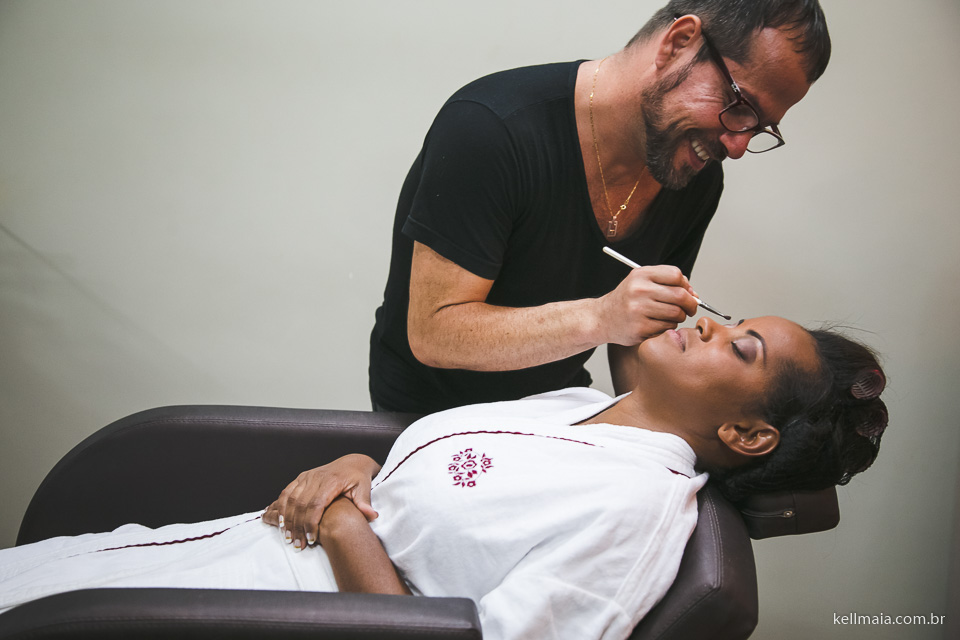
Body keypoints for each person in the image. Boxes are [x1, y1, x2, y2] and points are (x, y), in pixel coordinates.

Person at [0, 317, 886, 640]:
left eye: (742, 345)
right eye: (729, 317)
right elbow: (430, 474)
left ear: (744, 431)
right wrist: (355, 467)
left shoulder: (635, 513)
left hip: (262, 612)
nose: (704, 321)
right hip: (233, 552)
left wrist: (347, 525)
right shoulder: (574, 405)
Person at [369, 0, 832, 413]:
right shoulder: (490, 128)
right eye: (741, 106)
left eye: (760, 129)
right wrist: (600, 317)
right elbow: (434, 333)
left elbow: (636, 335)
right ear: (679, 42)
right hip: (423, 422)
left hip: (555, 409)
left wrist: (647, 434)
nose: (736, 146)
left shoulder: (694, 174)